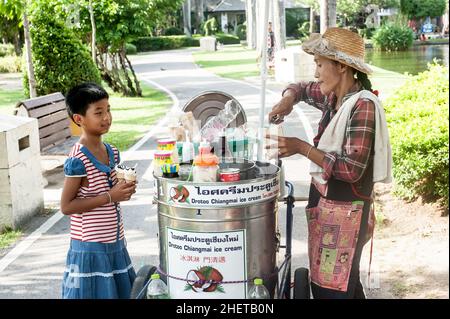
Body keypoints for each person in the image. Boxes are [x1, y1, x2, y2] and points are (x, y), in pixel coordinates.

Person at [268, 28, 392, 299]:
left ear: (342, 67)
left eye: (320, 64)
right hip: (326, 206)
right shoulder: (333, 96)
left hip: (348, 212)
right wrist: (288, 100)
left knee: (335, 289)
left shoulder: (363, 106)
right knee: (338, 285)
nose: (315, 73)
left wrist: (301, 147)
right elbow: (300, 89)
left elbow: (350, 169)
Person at [60, 82, 137, 298]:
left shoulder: (112, 151)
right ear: (79, 119)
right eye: (99, 112)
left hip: (115, 243)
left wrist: (124, 189)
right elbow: (66, 206)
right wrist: (111, 196)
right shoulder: (78, 159)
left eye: (108, 110)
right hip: (90, 248)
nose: (107, 117)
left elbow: (111, 190)